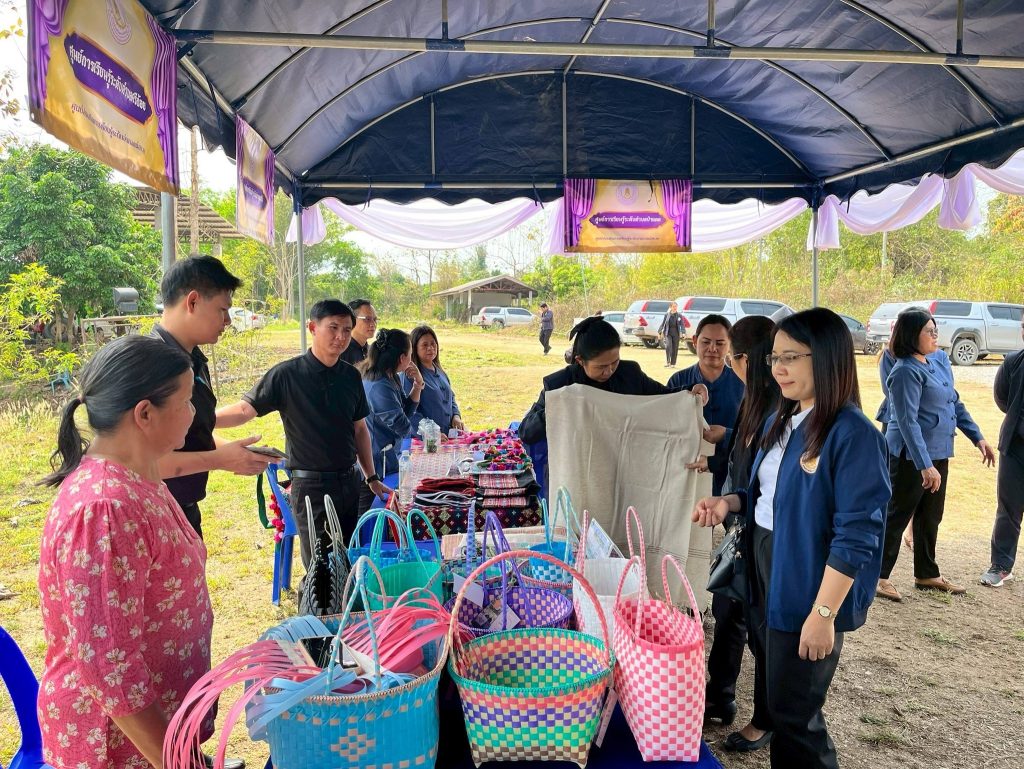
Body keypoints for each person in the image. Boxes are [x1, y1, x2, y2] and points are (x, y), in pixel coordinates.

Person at [693, 307, 891, 769]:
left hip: (809, 575)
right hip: (765, 560)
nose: (778, 369)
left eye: (791, 358)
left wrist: (823, 613)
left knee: (795, 714)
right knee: (779, 693)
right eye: (774, 358)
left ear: (826, 358)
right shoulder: (780, 420)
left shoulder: (852, 434)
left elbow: (857, 535)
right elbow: (768, 495)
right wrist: (729, 502)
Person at [37, 335, 219, 769]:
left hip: (160, 738)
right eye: (186, 401)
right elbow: (110, 670)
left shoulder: (140, 476)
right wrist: (178, 762)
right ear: (145, 413)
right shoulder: (105, 510)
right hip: (120, 748)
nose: (194, 414)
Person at [216, 300, 390, 568]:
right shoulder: (287, 375)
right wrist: (202, 421)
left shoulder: (351, 376)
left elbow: (360, 429)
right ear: (312, 328)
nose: (341, 336)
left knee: (347, 562)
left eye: (346, 329)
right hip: (311, 487)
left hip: (349, 482)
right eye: (333, 328)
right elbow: (244, 410)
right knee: (320, 570)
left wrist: (371, 477)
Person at [876, 308, 995, 600]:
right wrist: (924, 465)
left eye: (935, 330)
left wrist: (977, 437)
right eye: (929, 331)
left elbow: (954, 403)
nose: (935, 335)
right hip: (911, 456)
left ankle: (926, 573)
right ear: (911, 335)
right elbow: (907, 422)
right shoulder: (904, 371)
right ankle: (878, 576)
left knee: (930, 515)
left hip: (939, 450)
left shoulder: (937, 362)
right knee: (898, 514)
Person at [152, 255, 272, 538]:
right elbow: (143, 461)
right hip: (153, 515)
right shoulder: (151, 365)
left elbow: (193, 433)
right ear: (192, 302)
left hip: (183, 510)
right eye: (222, 310)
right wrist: (218, 459)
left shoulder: (194, 359)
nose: (228, 321)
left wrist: (234, 453)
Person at [704, 315, 779, 753]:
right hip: (741, 526)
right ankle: (720, 697)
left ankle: (766, 718)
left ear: (746, 359)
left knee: (762, 630)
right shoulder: (756, 399)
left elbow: (763, 473)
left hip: (763, 536)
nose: (728, 362)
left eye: (731, 355)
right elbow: (745, 457)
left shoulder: (780, 407)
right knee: (728, 611)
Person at [519, 317, 707, 445]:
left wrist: (691, 391)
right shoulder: (560, 384)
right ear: (580, 361)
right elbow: (526, 432)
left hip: (623, 466)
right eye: (601, 366)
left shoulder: (629, 373)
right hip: (574, 472)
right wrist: (558, 407)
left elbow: (663, 397)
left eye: (614, 362)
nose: (609, 370)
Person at [669, 314, 745, 496]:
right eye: (706, 342)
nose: (712, 349)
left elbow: (756, 432)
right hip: (687, 469)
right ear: (695, 341)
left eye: (720, 343)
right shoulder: (678, 381)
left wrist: (726, 434)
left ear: (730, 345)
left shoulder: (743, 382)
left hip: (731, 471)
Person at [358, 328, 423, 514]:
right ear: (402, 358)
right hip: (374, 465)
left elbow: (406, 410)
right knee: (371, 516)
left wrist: (418, 384)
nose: (411, 359)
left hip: (386, 459)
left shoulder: (390, 375)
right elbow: (404, 426)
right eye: (410, 354)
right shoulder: (379, 387)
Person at [981, 317, 1024, 587]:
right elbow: (1002, 398)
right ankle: (1001, 566)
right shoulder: (1013, 361)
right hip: (1015, 446)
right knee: (1008, 508)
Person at [401, 324, 465, 436]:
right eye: (425, 345)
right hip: (424, 440)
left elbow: (451, 398)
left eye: (433, 344)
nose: (430, 348)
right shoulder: (410, 375)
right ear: (414, 348)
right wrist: (431, 433)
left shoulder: (440, 372)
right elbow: (410, 413)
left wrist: (456, 416)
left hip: (446, 437)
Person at [340, 298, 378, 366]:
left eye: (375, 319)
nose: (373, 324)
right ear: (351, 320)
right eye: (367, 319)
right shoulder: (340, 352)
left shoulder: (372, 351)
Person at [658, 301, 685, 368]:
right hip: (668, 333)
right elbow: (663, 324)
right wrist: (659, 332)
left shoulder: (679, 315)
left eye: (676, 306)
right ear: (670, 307)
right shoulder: (667, 315)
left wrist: (683, 332)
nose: (675, 308)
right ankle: (668, 362)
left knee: (675, 348)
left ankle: (673, 363)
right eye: (673, 306)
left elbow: (682, 324)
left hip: (676, 333)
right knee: (668, 346)